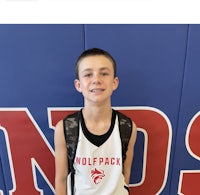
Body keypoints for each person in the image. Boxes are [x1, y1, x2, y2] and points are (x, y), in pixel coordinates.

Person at [54, 48, 137, 195]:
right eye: (88, 74)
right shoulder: (65, 128)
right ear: (78, 85)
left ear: (114, 82)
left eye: (104, 73)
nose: (96, 80)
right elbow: (61, 180)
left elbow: (125, 174)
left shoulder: (127, 127)